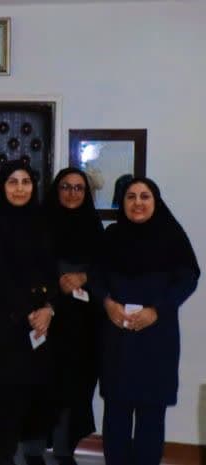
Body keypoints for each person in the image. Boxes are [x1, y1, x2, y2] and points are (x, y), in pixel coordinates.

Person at [92, 177, 199, 465]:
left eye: (145, 196)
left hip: (157, 336)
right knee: (116, 414)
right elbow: (95, 277)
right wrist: (108, 304)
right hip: (117, 336)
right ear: (122, 202)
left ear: (156, 201)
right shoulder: (111, 237)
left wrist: (157, 310)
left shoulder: (172, 236)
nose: (137, 202)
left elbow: (189, 278)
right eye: (131, 197)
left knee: (152, 415)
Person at [0, 160, 58, 465]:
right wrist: (29, 310)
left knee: (19, 406)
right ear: (2, 186)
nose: (20, 189)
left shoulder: (42, 224)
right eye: (12, 182)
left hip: (32, 332)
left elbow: (51, 273)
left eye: (25, 182)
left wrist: (48, 308)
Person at [41, 168, 104, 465]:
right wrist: (57, 283)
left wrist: (83, 277)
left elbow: (106, 270)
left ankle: (65, 448)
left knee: (76, 386)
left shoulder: (94, 227)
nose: (72, 193)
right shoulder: (40, 224)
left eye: (78, 188)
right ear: (56, 190)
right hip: (46, 314)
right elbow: (30, 264)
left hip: (84, 323)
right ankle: (35, 447)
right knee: (45, 382)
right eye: (65, 186)